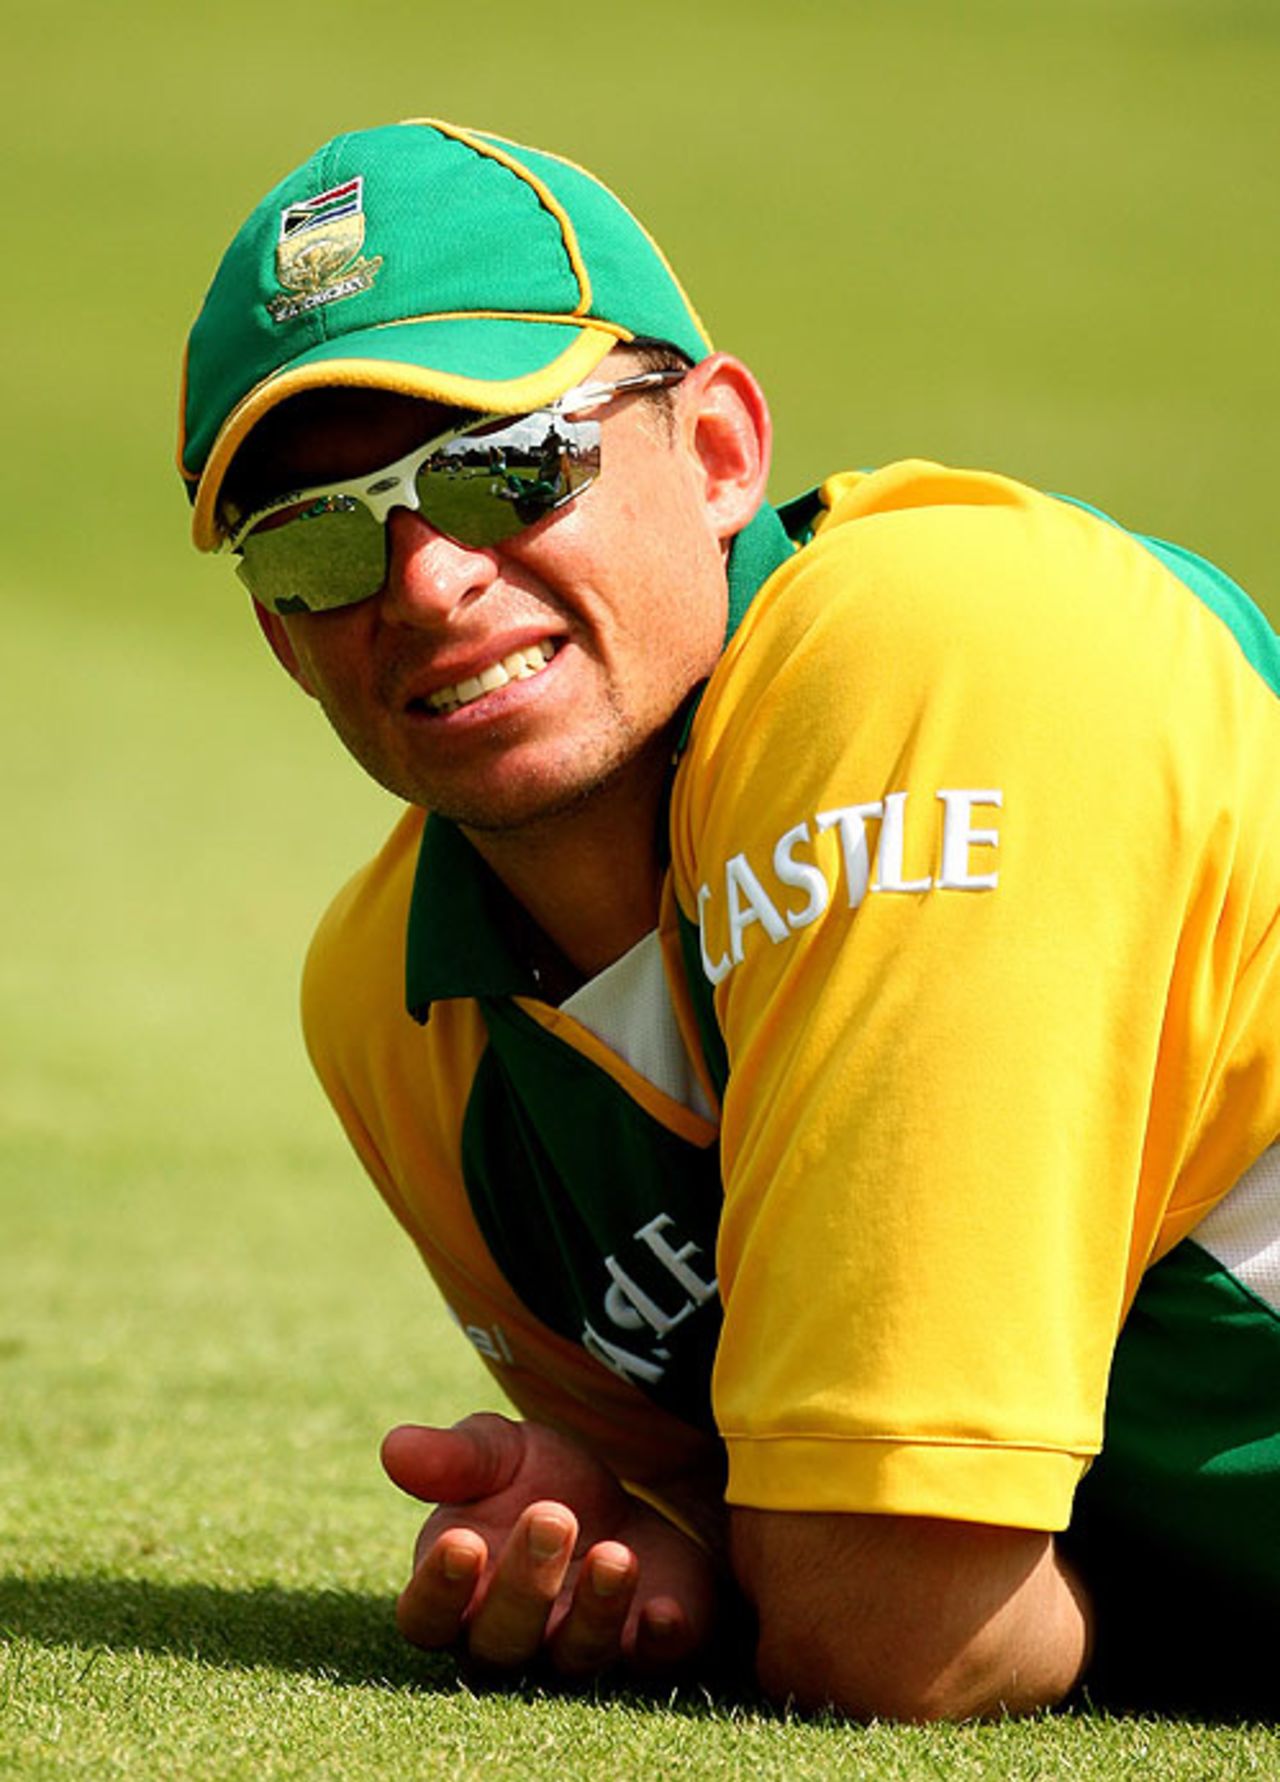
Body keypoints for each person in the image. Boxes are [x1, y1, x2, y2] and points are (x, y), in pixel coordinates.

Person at [179, 118, 1280, 1720]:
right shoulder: (394, 1009)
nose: (422, 586)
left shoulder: (939, 663)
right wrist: (663, 1562)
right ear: (285, 641)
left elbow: (899, 1635)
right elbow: (779, 1556)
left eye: (505, 467)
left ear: (716, 452)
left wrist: (833, 1578)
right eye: (321, 536)